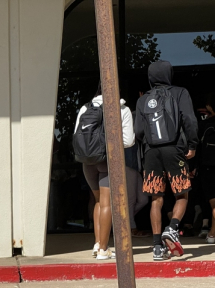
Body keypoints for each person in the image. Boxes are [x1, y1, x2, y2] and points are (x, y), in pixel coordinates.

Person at [135, 60, 199, 261]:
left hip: (152, 152)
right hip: (174, 149)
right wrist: (193, 144)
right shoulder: (180, 93)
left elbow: (138, 132)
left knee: (156, 198)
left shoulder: (142, 100)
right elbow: (189, 119)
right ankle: (172, 229)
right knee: (182, 194)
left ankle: (156, 247)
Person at [74, 84, 135, 260]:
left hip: (87, 162)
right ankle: (103, 249)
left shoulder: (86, 107)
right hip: (107, 161)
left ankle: (97, 243)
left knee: (98, 201)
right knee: (108, 203)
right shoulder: (122, 109)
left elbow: (77, 134)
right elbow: (129, 140)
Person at [198, 93, 215, 242]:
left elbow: (196, 145)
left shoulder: (206, 125)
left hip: (208, 165)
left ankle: (212, 232)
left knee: (211, 201)